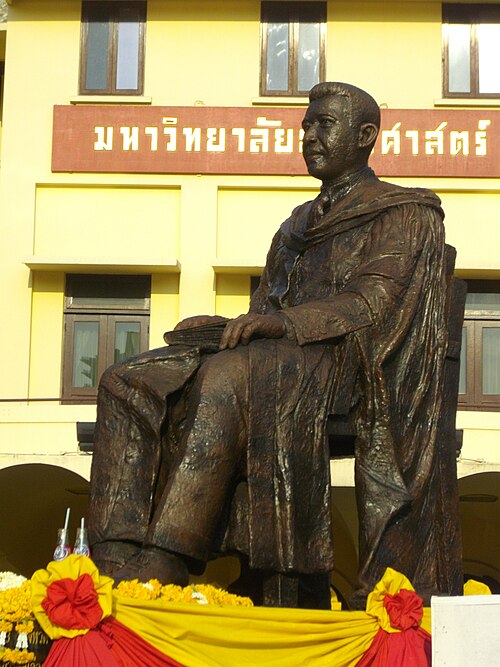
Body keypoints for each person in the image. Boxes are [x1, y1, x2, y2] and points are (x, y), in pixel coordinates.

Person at [89, 82, 454, 608]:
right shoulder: (294, 225)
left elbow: (374, 301)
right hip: (279, 356)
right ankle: (119, 552)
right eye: (306, 124)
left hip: (352, 366)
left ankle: (171, 553)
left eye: (323, 124)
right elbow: (266, 308)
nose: (308, 135)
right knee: (127, 379)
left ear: (366, 136)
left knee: (230, 375)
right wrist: (225, 326)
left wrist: (281, 326)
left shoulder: (407, 212)